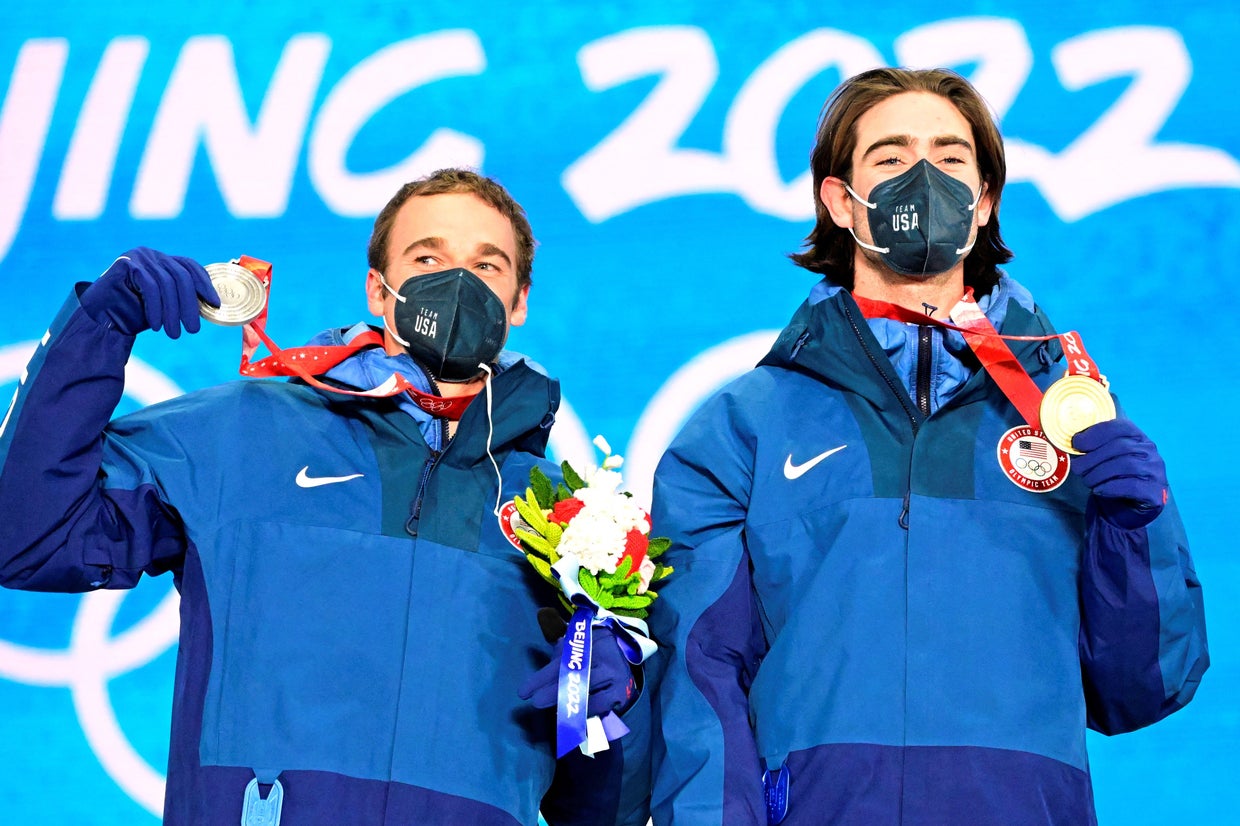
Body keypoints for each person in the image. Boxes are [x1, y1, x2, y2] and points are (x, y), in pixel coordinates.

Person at [0, 168, 650, 826]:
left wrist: (613, 708)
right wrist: (98, 327)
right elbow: (28, 539)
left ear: (518, 302)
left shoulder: (571, 524)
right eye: (427, 257)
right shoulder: (244, 432)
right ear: (378, 287)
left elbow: (596, 811)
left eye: (487, 264)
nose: (458, 283)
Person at [647, 68, 1209, 826]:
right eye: (890, 157)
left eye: (950, 158)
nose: (923, 177)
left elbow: (1143, 685)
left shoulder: (1072, 415)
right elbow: (699, 678)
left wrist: (1134, 534)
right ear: (840, 203)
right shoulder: (744, 425)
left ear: (983, 203)